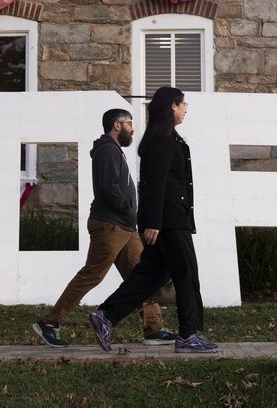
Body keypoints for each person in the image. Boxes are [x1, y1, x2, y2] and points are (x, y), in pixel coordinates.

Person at [32, 108, 176, 348]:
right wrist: (128, 208)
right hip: (111, 226)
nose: (133, 129)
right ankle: (49, 322)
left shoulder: (114, 150)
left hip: (126, 227)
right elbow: (109, 188)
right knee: (92, 275)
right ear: (117, 125)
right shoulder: (107, 150)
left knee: (144, 276)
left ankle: (154, 329)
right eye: (129, 123)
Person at [89, 87, 218, 354]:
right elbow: (153, 184)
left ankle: (106, 315)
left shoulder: (165, 137)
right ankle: (189, 335)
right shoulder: (162, 140)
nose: (185, 109)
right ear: (172, 106)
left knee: (150, 276)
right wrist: (153, 223)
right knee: (186, 275)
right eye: (183, 104)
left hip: (169, 219)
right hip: (169, 222)